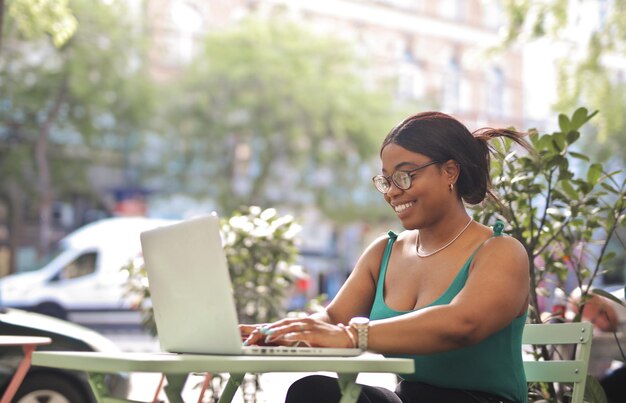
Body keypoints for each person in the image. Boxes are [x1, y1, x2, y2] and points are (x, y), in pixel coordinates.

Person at [241, 111, 531, 403]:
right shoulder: (385, 252)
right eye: (387, 180)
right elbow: (332, 319)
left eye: (405, 176)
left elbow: (463, 324)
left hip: (478, 400)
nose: (392, 192)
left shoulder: (500, 251)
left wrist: (355, 335)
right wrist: (279, 333)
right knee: (313, 391)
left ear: (450, 172)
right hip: (408, 398)